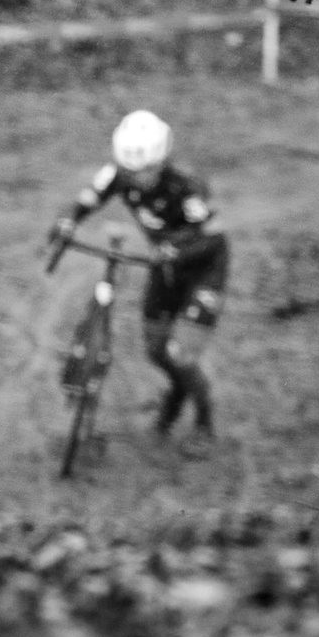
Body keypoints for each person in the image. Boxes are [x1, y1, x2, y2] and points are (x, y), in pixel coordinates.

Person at [47, 110, 228, 457]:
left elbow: (213, 237)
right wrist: (69, 221)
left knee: (180, 354)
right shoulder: (118, 174)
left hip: (205, 269)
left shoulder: (186, 186)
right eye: (131, 171)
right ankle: (176, 397)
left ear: (162, 161)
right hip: (165, 265)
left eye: (146, 170)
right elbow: (88, 199)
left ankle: (205, 420)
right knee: (157, 349)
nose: (137, 178)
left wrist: (175, 250)